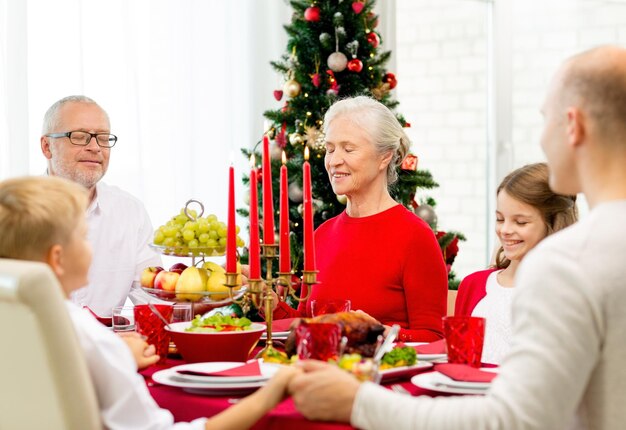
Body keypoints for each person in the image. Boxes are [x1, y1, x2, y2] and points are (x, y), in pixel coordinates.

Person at [287, 45, 626, 429]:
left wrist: (359, 403)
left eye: (545, 121)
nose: (544, 140)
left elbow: (515, 419)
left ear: (573, 126)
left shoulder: (567, 262)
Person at [0, 175, 298, 430]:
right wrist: (273, 392)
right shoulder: (90, 337)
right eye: (83, 236)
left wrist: (119, 355)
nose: (91, 245)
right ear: (57, 259)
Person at [272, 96, 448, 342]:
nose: (333, 161)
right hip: (321, 373)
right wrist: (269, 304)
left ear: (384, 157)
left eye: (348, 148)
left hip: (377, 378)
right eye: (330, 149)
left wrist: (377, 333)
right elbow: (307, 324)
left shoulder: (415, 237)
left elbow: (434, 338)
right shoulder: (321, 234)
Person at [40, 95, 162, 317]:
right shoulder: (16, 215)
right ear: (47, 147)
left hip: (108, 348)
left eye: (104, 138)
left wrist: (204, 296)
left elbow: (154, 301)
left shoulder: (130, 212)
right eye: (80, 137)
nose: (96, 147)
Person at [454, 162, 577, 364]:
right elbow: (457, 365)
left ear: (554, 224)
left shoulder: (566, 293)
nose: (505, 230)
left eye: (520, 222)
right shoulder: (473, 285)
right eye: (500, 219)